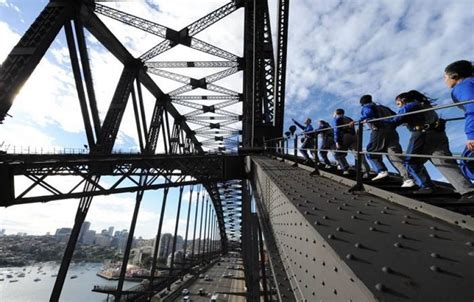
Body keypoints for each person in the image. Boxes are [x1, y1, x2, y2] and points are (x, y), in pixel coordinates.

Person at [384, 90, 474, 200]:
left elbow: (395, 120)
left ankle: (426, 186)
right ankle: (468, 191)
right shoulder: (424, 105)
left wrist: (378, 122)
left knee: (412, 162)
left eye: (398, 104)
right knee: (444, 162)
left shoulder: (409, 106)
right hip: (439, 134)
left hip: (422, 135)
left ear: (403, 100)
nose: (398, 107)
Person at [357, 95, 415, 187]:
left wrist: (362, 119)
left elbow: (368, 114)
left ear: (362, 103)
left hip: (379, 130)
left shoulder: (367, 107)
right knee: (394, 155)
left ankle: (381, 170)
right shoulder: (384, 108)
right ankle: (409, 179)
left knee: (371, 152)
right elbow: (396, 116)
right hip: (392, 132)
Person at [444, 60, 474, 181]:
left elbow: (472, 106)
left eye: (445, 77)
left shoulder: (462, 87)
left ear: (454, 76)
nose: (444, 81)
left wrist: (472, 135)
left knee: (467, 162)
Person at [332, 108, 370, 175]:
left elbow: (336, 130)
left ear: (336, 113)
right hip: (354, 136)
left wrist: (337, 141)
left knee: (338, 154)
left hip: (344, 137)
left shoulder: (337, 119)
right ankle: (366, 170)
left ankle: (345, 168)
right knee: (358, 154)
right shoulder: (349, 119)